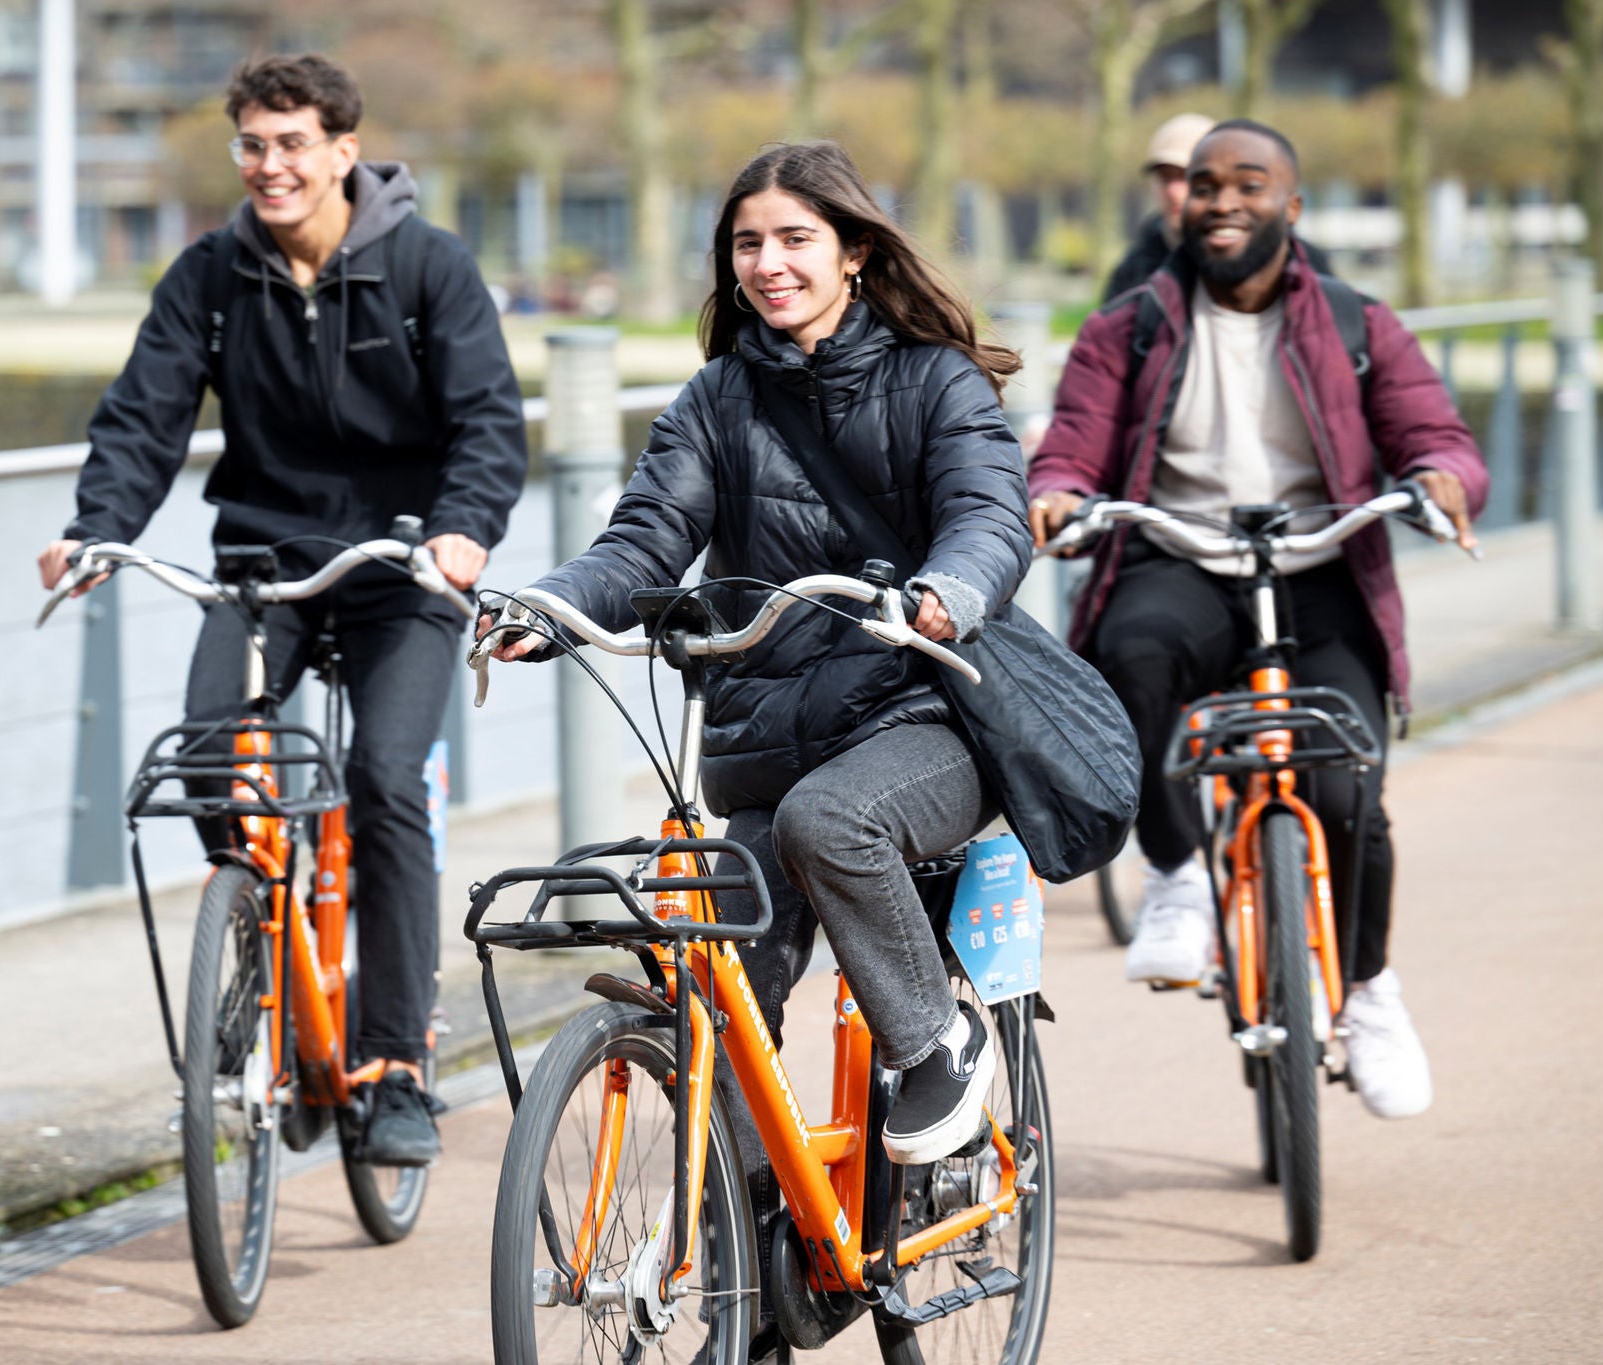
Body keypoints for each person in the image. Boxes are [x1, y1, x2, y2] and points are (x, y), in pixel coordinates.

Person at [486, 142, 1032, 1172]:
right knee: (711, 1002)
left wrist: (944, 594)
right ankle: (760, 1267)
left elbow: (986, 516)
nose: (766, 262)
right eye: (746, 242)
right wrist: (550, 604)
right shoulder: (715, 400)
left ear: (854, 251)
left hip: (919, 722)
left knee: (828, 823)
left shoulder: (936, 383)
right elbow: (641, 540)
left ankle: (935, 1046)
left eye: (793, 238)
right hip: (766, 747)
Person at [36, 54, 527, 1165]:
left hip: (406, 573)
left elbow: (488, 424)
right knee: (209, 755)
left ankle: (397, 1061)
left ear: (343, 152)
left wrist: (462, 531)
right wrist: (96, 526)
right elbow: (143, 416)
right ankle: (257, 946)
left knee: (387, 783)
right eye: (251, 145)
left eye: (292, 143)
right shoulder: (210, 275)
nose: (270, 166)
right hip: (265, 566)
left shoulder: (427, 268)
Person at [1030, 119, 1486, 1120]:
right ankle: (1177, 871)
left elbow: (1434, 435)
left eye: (1247, 183)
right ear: (1180, 203)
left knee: (1343, 786)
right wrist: (1058, 493)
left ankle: (1366, 990)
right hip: (1182, 557)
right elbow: (1073, 445)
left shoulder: (1356, 322)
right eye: (1203, 185)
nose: (1221, 200)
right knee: (1130, 655)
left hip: (1320, 568)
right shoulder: (1130, 326)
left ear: (1291, 206)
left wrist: (1440, 481)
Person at [1102, 111, 1333, 304]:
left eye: (1187, 177)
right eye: (1164, 178)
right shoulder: (1133, 271)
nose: (1173, 191)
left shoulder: (1305, 265)